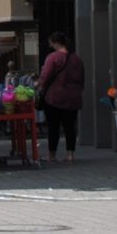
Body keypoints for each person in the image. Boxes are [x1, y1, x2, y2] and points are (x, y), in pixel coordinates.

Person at [36, 30, 86, 164]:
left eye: (51, 43)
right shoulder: (77, 59)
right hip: (73, 97)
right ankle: (70, 155)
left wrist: (39, 85)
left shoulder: (53, 58)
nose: (51, 46)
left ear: (56, 43)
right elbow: (81, 79)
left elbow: (45, 76)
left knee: (53, 127)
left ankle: (52, 155)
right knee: (70, 126)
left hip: (55, 97)